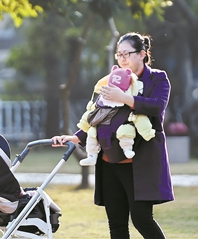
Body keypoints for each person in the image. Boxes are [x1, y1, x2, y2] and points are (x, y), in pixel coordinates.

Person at [52, 32, 174, 239]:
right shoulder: (111, 80)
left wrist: (125, 98)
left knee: (141, 219)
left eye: (127, 53)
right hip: (109, 160)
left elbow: (156, 107)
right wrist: (77, 137)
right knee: (116, 223)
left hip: (139, 162)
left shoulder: (157, 79)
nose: (122, 58)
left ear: (143, 54)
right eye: (119, 54)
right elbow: (99, 113)